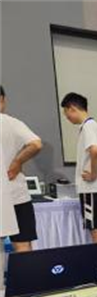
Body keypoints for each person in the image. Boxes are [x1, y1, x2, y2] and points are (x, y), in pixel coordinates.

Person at [61, 92, 97, 267]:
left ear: (72, 108)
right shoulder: (95, 126)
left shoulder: (88, 127)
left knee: (96, 229)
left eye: (66, 113)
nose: (67, 117)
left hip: (92, 188)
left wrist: (92, 173)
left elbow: (95, 150)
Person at [0, 84, 43, 253]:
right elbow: (36, 144)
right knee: (23, 244)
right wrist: (17, 162)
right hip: (16, 194)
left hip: (12, 195)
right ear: (2, 99)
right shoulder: (11, 123)